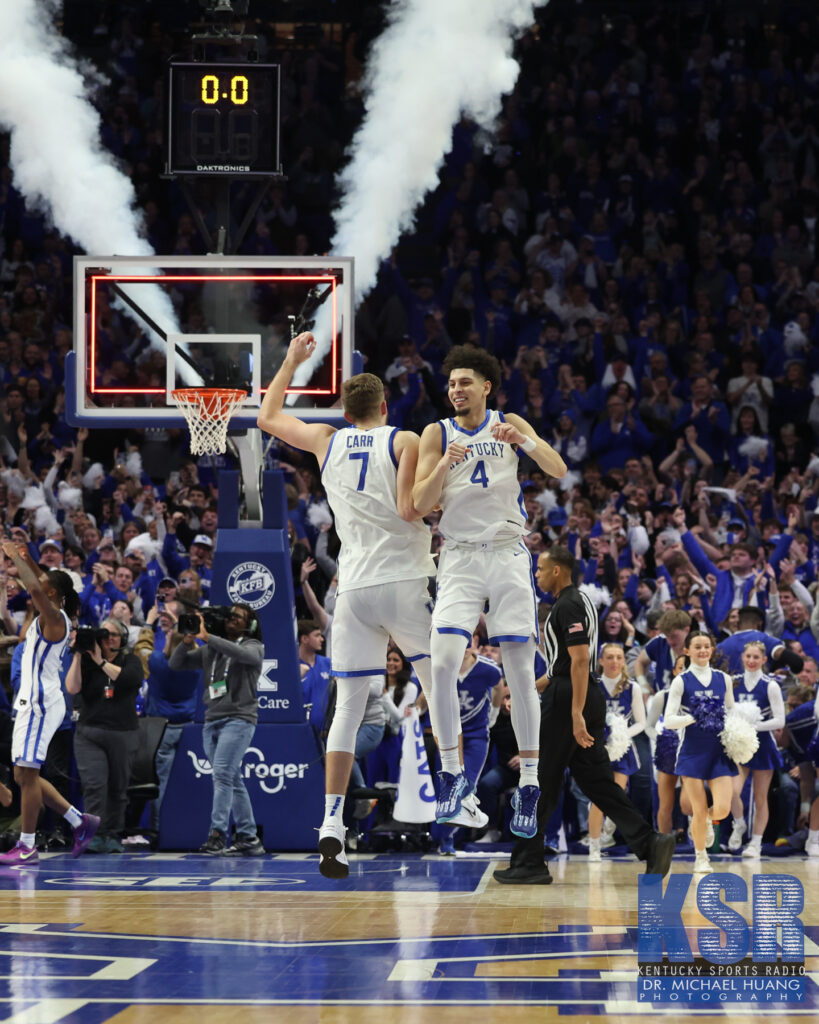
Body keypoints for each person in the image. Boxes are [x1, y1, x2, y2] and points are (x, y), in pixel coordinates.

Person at [257, 332, 439, 879]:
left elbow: (267, 417)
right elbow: (417, 506)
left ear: (344, 409)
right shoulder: (402, 440)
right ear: (385, 407)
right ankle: (456, 786)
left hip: (352, 588)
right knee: (441, 681)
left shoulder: (325, 440)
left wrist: (291, 359)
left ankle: (332, 821)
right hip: (403, 579)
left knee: (347, 711)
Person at [413, 345, 567, 837]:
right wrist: (442, 467)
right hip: (457, 555)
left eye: (464, 382)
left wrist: (524, 440)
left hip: (506, 553)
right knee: (440, 662)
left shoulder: (509, 421)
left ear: (486, 387)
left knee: (520, 672)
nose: (455, 390)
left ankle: (529, 783)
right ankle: (454, 774)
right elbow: (417, 503)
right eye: (451, 383)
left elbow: (558, 468)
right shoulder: (437, 432)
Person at [493, 546, 675, 884]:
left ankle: (529, 861)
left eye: (541, 569)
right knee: (598, 783)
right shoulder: (578, 601)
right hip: (575, 692)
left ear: (558, 571)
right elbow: (566, 664)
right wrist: (533, 688)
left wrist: (575, 713)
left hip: (570, 700)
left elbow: (578, 662)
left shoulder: (569, 603)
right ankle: (650, 843)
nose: (537, 574)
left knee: (540, 778)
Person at [0, 541, 99, 864]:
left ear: (53, 595)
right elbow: (44, 583)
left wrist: (17, 558)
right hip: (37, 700)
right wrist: (29, 559)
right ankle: (78, 820)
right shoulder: (57, 611)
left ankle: (27, 846)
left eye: (44, 586)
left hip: (40, 703)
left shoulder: (54, 618)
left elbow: (36, 589)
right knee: (22, 776)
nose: (38, 585)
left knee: (26, 775)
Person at [169, 603, 265, 856]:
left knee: (222, 774)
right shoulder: (210, 649)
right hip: (211, 720)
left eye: (238, 617)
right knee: (232, 779)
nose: (232, 620)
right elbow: (176, 664)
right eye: (230, 616)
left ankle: (217, 835)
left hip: (239, 719)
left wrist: (208, 637)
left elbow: (248, 657)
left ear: (250, 625)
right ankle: (248, 837)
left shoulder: (252, 645)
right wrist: (188, 638)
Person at [663, 630, 738, 874]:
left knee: (723, 809)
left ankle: (706, 820)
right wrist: (693, 718)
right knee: (697, 807)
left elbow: (731, 711)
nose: (703, 650)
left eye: (707, 646)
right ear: (688, 651)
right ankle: (701, 857)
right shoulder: (681, 680)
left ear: (712, 649)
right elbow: (669, 720)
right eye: (697, 647)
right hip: (692, 751)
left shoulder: (723, 679)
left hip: (718, 750)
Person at [66, 618, 144, 853]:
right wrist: (79, 654)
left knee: (118, 787)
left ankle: (113, 833)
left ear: (122, 639)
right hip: (90, 733)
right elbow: (72, 688)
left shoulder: (130, 660)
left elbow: (129, 679)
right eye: (106, 634)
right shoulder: (88, 663)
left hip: (122, 733)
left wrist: (100, 661)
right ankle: (94, 834)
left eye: (115, 635)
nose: (110, 638)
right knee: (94, 785)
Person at [587, 643, 646, 862]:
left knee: (616, 796)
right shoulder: (592, 685)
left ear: (623, 661)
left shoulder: (633, 687)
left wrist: (620, 735)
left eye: (618, 657)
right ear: (601, 661)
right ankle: (594, 847)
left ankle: (608, 827)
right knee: (598, 799)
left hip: (621, 748)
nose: (614, 662)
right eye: (609, 657)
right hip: (597, 750)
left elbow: (641, 722)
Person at [726, 640, 785, 857]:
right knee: (732, 791)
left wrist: (754, 725)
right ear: (742, 657)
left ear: (764, 660)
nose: (751, 661)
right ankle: (739, 823)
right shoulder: (732, 683)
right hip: (739, 743)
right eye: (748, 656)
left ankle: (756, 843)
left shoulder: (771, 685)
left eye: (756, 657)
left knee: (761, 797)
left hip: (762, 745)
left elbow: (780, 720)